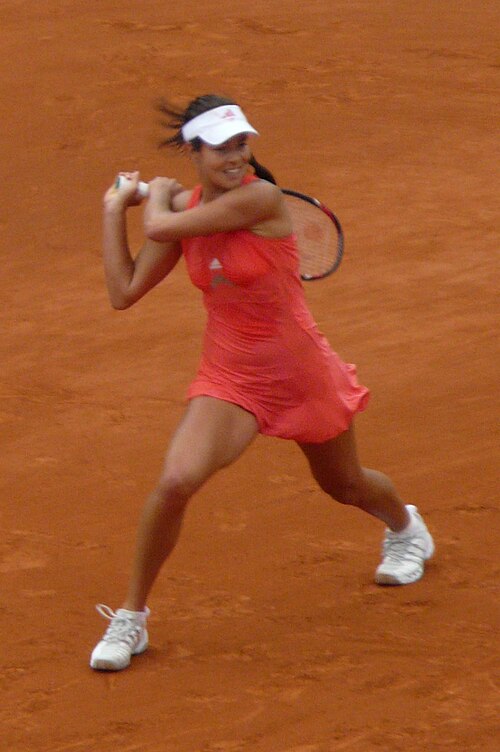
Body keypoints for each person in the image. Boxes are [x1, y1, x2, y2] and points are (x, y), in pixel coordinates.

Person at [90, 94, 435, 671]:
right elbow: (123, 292)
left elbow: (161, 222)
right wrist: (111, 214)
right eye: (221, 147)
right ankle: (131, 618)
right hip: (231, 377)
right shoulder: (183, 211)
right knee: (176, 480)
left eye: (242, 143)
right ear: (195, 152)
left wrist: (154, 197)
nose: (236, 156)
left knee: (344, 484)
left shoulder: (260, 198)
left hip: (301, 373)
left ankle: (406, 528)